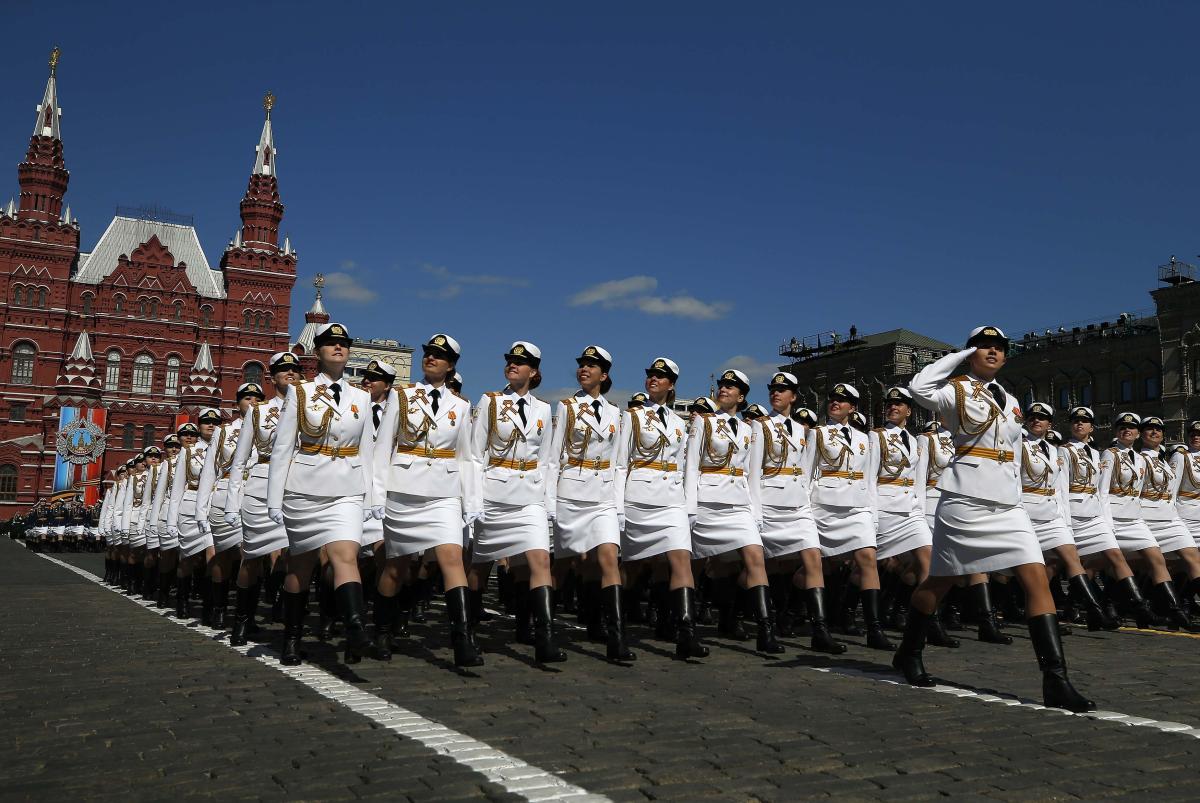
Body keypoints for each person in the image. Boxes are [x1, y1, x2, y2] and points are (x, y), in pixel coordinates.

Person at [894, 325, 1093, 713]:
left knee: (1035, 575)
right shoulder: (955, 390)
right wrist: (958, 357)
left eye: (999, 348)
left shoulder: (1011, 399)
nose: (992, 352)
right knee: (941, 582)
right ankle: (909, 650)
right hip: (966, 498)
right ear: (970, 352)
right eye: (983, 346)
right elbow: (919, 388)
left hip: (1007, 502)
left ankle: (1056, 679)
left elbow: (1014, 448)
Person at [268, 322, 382, 666]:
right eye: (330, 343)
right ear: (317, 352)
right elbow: (283, 448)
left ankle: (356, 629)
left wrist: (371, 497)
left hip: (346, 488)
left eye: (344, 343)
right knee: (300, 568)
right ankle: (291, 638)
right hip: (305, 489)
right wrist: (275, 498)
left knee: (345, 556)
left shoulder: (361, 397)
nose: (338, 348)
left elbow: (367, 450)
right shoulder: (299, 393)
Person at [376, 334, 483, 667]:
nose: (431, 358)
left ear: (451, 365)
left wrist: (471, 501)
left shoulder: (461, 406)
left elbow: (467, 457)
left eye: (439, 355)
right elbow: (381, 448)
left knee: (452, 559)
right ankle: (382, 631)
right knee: (397, 566)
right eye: (428, 354)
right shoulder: (402, 396)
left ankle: (462, 640)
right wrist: (377, 494)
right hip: (404, 490)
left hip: (444, 493)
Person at [466, 341, 565, 663]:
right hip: (493, 493)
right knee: (480, 565)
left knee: (538, 561)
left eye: (520, 363)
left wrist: (547, 502)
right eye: (510, 361)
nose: (513, 366)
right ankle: (465, 628)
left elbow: (548, 460)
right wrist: (474, 499)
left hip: (529, 497)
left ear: (533, 371)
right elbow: (474, 454)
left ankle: (543, 636)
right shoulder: (491, 402)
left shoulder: (542, 408)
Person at [684, 368, 783, 654]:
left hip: (739, 504)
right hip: (707, 501)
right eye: (723, 384)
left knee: (754, 558)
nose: (724, 388)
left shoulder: (750, 429)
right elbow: (692, 465)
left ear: (741, 396)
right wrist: (690, 507)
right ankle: (683, 622)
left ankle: (766, 630)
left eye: (732, 386)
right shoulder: (704, 423)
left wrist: (756, 511)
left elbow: (753, 473)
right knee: (694, 564)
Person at [615, 357, 708, 659]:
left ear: (671, 384)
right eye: (651, 375)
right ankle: (612, 619)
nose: (653, 379)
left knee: (681, 558)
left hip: (671, 500)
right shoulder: (633, 417)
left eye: (660, 376)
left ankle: (686, 633)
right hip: (639, 497)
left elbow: (684, 466)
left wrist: (687, 504)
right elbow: (620, 462)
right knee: (631, 566)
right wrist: (617, 505)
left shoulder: (681, 424)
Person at [749, 371, 845, 654]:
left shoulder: (804, 431)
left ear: (793, 396)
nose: (775, 394)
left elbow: (806, 470)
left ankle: (820, 630)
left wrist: (806, 501)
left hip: (797, 504)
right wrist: (755, 510)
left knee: (813, 557)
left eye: (782, 390)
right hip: (768, 501)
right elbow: (754, 471)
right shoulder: (760, 427)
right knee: (763, 567)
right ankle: (764, 625)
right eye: (772, 390)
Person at [548, 345, 633, 661]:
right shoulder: (567, 407)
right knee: (561, 563)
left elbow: (620, 462)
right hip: (571, 492)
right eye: (582, 365)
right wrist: (550, 501)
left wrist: (618, 503)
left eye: (591, 366)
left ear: (604, 374)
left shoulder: (616, 413)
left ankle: (616, 637)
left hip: (602, 497)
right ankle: (542, 624)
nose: (584, 369)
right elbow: (553, 458)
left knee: (609, 557)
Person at [1019, 403, 1116, 630]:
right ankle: (1041, 613)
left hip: (1053, 514)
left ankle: (1094, 611)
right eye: (1032, 417)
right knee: (1039, 568)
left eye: (1042, 418)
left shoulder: (1053, 450)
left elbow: (1059, 489)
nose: (1036, 421)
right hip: (1028, 512)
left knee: (1069, 558)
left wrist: (1065, 521)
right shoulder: (1019, 446)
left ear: (1049, 424)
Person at [1060, 407, 1158, 628]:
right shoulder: (1066, 451)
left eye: (1084, 421)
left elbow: (1099, 491)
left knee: (1112, 557)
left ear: (1092, 427)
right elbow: (1064, 490)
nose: (1079, 424)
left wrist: (1104, 521)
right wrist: (1065, 520)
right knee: (1062, 564)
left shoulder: (1095, 454)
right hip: (1075, 514)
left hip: (1095, 514)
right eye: (1075, 421)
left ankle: (1137, 607)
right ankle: (1075, 606)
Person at [872, 387, 955, 647]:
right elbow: (870, 478)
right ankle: (847, 609)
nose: (893, 408)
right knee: (865, 566)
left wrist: (918, 507)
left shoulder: (914, 439)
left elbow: (919, 480)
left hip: (911, 511)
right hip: (884, 508)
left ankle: (930, 622)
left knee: (927, 560)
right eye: (890, 404)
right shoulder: (876, 437)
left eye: (899, 405)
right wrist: (872, 514)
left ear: (909, 410)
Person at [810, 383, 891, 650]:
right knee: (815, 567)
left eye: (842, 401)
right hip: (825, 506)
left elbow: (870, 480)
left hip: (857, 508)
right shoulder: (818, 434)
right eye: (832, 399)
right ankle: (807, 620)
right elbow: (808, 474)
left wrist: (873, 514)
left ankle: (874, 629)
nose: (835, 403)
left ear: (852, 407)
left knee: (867, 559)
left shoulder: (865, 439)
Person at [225, 354, 298, 645]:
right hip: (262, 483)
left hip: (297, 484)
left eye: (295, 369)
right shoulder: (258, 412)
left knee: (293, 557)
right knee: (252, 558)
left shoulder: (312, 408)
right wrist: (233, 503)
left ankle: (286, 617)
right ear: (272, 378)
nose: (290, 374)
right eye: (283, 370)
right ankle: (243, 619)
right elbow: (240, 461)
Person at [1101, 412, 1191, 628]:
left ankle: (1173, 610)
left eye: (1131, 427)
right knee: (1109, 563)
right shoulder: (1109, 454)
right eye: (1122, 427)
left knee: (1153, 560)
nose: (1127, 430)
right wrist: (1107, 523)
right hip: (1116, 516)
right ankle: (1109, 603)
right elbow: (1102, 491)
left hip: (1136, 517)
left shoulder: (1142, 459)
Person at [197, 384, 263, 629]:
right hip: (225, 494)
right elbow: (209, 473)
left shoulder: (268, 428)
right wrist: (201, 509)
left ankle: (246, 615)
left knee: (253, 555)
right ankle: (219, 608)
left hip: (256, 493)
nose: (253, 402)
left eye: (258, 398)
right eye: (247, 398)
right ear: (238, 404)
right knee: (223, 555)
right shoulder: (224, 432)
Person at [1137, 416, 1199, 629]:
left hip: (1170, 516)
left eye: (1158, 430)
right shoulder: (1139, 458)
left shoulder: (1162, 459)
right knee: (1161, 565)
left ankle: (1157, 606)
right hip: (1158, 516)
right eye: (1149, 429)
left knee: (1185, 561)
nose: (1154, 432)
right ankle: (1167, 609)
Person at [167, 411, 220, 620]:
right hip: (190, 505)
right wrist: (172, 520)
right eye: (206, 422)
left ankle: (210, 605)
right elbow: (177, 489)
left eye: (215, 422)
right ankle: (182, 599)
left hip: (214, 505)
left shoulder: (225, 448)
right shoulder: (188, 453)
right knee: (187, 558)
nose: (211, 425)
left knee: (212, 556)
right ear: (200, 426)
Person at [150, 434, 182, 608]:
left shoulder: (196, 459)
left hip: (188, 511)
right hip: (168, 511)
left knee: (186, 556)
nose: (174, 449)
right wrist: (153, 522)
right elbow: (158, 495)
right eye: (170, 446)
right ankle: (163, 592)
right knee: (167, 555)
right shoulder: (166, 465)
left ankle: (180, 594)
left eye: (177, 446)